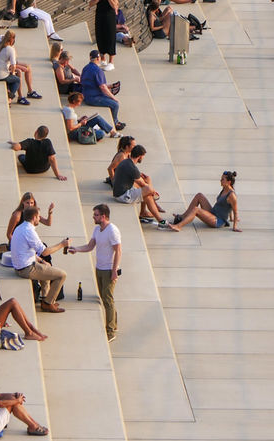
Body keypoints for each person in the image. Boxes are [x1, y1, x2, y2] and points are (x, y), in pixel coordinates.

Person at [67, 204, 121, 341]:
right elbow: (90, 246)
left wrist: (114, 271)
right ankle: (114, 324)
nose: (93, 217)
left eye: (96, 215)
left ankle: (110, 331)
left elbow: (118, 251)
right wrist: (77, 249)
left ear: (103, 216)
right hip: (99, 268)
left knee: (107, 300)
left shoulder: (112, 231)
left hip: (109, 269)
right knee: (105, 297)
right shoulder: (97, 229)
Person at [9, 205, 69, 312]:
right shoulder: (29, 231)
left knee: (47, 270)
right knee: (62, 275)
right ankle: (48, 303)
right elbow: (45, 252)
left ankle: (45, 299)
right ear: (34, 217)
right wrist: (62, 244)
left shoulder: (20, 228)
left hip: (21, 265)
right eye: (39, 217)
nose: (40, 219)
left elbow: (26, 252)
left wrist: (41, 261)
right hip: (26, 269)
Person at [166, 171, 240, 233]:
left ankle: (178, 226)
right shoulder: (224, 189)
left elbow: (235, 210)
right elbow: (228, 206)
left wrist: (235, 227)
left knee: (196, 209)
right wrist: (231, 218)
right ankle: (183, 216)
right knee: (199, 195)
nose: (220, 181)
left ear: (229, 182)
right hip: (213, 213)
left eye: (222, 179)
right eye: (221, 179)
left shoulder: (232, 195)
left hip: (217, 221)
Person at [112, 144, 164, 224]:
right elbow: (143, 185)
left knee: (147, 191)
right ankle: (160, 220)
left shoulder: (127, 162)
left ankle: (149, 215)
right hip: (123, 196)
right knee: (148, 190)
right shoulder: (132, 167)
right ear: (140, 156)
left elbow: (141, 180)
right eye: (143, 156)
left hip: (120, 192)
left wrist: (148, 183)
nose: (143, 158)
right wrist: (152, 191)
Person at [0, 30, 40, 103]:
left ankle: (28, 92)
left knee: (25, 67)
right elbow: (13, 66)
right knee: (17, 78)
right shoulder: (9, 49)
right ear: (12, 40)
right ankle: (13, 97)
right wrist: (13, 73)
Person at [79, 49, 123, 129]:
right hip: (93, 98)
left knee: (110, 98)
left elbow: (84, 81)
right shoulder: (97, 70)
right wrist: (113, 97)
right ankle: (115, 122)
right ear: (98, 58)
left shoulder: (85, 68)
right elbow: (102, 87)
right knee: (115, 104)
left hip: (86, 95)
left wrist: (111, 86)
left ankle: (115, 121)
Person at [90, 0, 119, 67]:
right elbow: (90, 4)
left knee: (110, 37)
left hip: (109, 18)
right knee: (100, 36)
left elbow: (114, 6)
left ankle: (111, 62)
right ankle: (102, 58)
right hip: (99, 17)